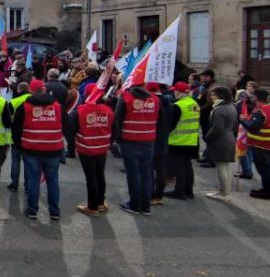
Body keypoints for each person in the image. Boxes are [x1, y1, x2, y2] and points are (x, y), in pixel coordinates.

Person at [12, 80, 66, 220]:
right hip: (53, 149)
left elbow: (16, 130)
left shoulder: (24, 107)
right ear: (45, 90)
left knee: (33, 180)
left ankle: (32, 210)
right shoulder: (59, 107)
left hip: (32, 149)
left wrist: (20, 146)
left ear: (31, 90)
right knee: (53, 180)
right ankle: (54, 212)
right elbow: (66, 127)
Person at [114, 83, 161, 216]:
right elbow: (158, 117)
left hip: (129, 139)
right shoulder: (154, 99)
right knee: (146, 173)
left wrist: (118, 138)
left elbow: (118, 118)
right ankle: (146, 205)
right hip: (148, 139)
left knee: (133, 173)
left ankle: (134, 204)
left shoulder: (126, 97)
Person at [72, 84, 114, 216]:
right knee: (100, 175)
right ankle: (101, 202)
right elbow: (114, 129)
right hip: (102, 147)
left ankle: (92, 206)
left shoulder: (80, 110)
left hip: (86, 148)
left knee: (91, 177)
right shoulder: (108, 110)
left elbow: (71, 129)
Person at [241, 88, 270, 200]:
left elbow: (252, 127)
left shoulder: (260, 111)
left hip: (260, 144)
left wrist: (243, 120)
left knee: (264, 169)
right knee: (268, 168)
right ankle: (267, 189)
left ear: (256, 98)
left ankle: (268, 192)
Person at [164, 81, 200, 201]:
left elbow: (171, 125)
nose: (174, 92)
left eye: (175, 90)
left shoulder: (178, 106)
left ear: (179, 92)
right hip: (191, 140)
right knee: (187, 166)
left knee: (179, 167)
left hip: (178, 140)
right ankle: (188, 190)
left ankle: (179, 191)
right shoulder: (194, 103)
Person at [203, 86, 237, 199]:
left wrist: (207, 136)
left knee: (221, 166)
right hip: (229, 137)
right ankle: (226, 191)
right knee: (225, 166)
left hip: (221, 140)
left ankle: (223, 192)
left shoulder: (219, 109)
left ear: (220, 96)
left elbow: (217, 127)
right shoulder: (231, 107)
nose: (211, 97)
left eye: (214, 95)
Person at [7, 81, 32, 193]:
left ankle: (14, 184)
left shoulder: (13, 102)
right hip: (31, 135)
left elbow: (8, 119)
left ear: (18, 90)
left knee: (15, 160)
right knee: (28, 162)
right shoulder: (34, 100)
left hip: (16, 134)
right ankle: (28, 186)